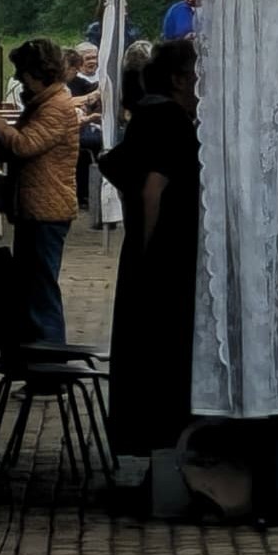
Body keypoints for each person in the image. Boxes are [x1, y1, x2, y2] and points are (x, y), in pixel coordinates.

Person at [103, 38, 202, 465]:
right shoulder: (167, 119)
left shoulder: (152, 115)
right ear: (181, 78)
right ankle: (162, 440)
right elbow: (152, 188)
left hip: (156, 249)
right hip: (164, 253)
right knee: (163, 345)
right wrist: (147, 246)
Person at [0, 38, 88, 341]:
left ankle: (50, 364)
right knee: (31, 288)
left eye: (24, 73)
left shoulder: (56, 107)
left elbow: (23, 145)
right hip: (36, 208)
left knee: (41, 290)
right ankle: (39, 364)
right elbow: (9, 150)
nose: (20, 79)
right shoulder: (42, 104)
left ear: (38, 71)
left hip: (48, 210)